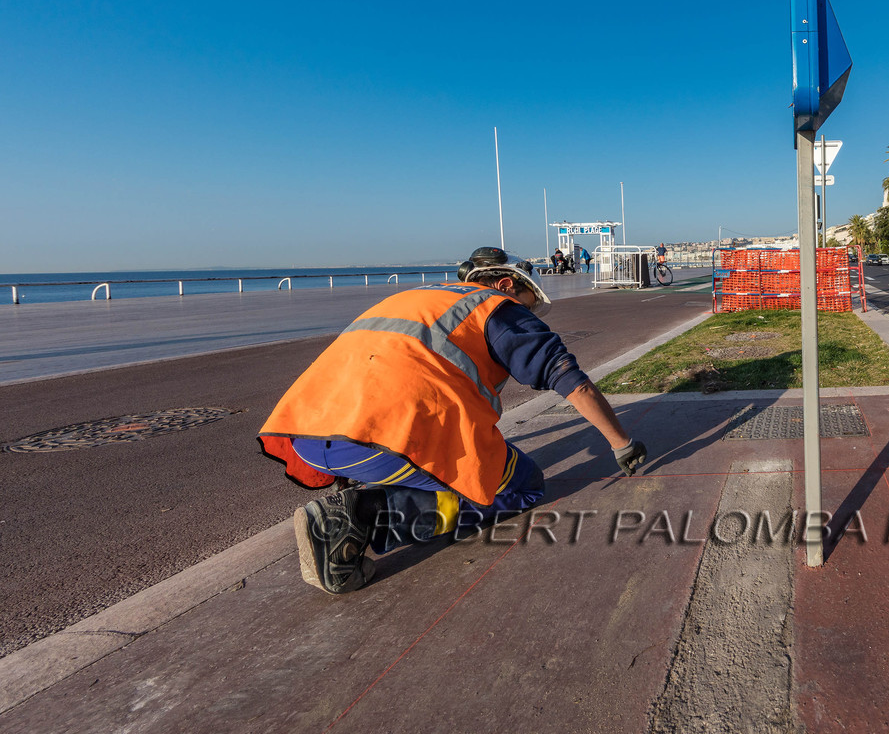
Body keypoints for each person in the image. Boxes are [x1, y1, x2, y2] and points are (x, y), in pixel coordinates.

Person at [259, 246, 648, 594]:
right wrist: (622, 444)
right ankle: (365, 518)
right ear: (506, 285)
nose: (528, 315)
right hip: (383, 441)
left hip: (307, 435)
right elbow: (571, 382)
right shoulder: (498, 308)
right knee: (523, 485)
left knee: (468, 460)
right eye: (528, 305)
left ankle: (363, 508)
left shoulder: (419, 297)